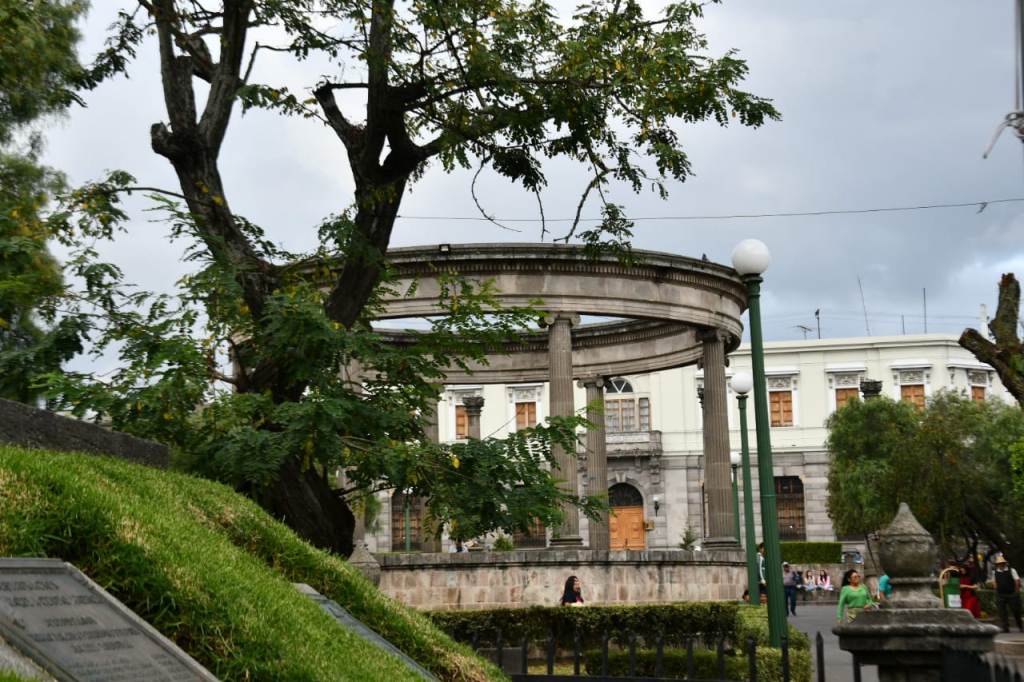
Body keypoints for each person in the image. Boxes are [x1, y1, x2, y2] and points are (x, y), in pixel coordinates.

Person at [989, 555, 1023, 632]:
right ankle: (1005, 628)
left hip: (1012, 594)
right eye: (999, 563)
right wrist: (996, 588)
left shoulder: (1012, 570)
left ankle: (1020, 626)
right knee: (1002, 612)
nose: (1001, 564)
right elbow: (994, 582)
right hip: (1001, 594)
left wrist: (1016, 591)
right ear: (997, 564)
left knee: (1016, 611)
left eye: (1002, 563)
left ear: (1004, 563)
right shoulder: (995, 572)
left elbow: (1017, 581)